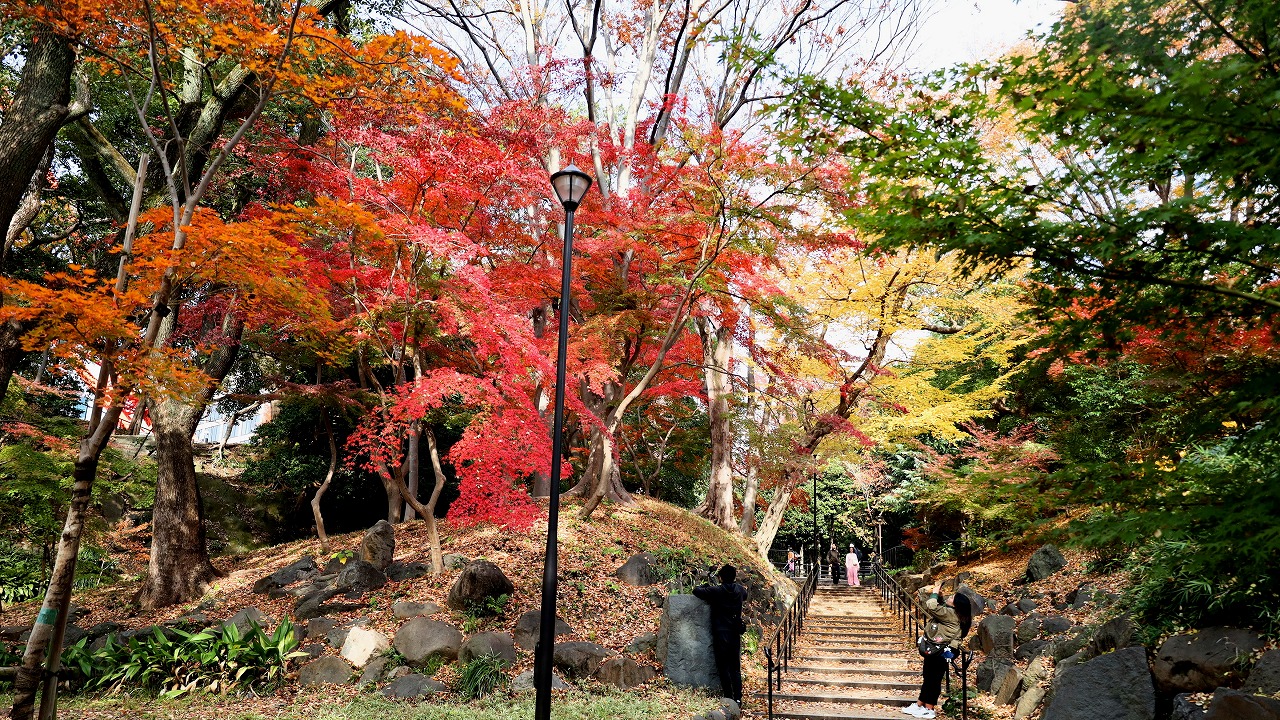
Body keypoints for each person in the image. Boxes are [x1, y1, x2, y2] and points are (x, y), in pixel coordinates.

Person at [903, 579, 973, 719]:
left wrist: (935, 592)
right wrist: (940, 597)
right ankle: (920, 704)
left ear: (956, 605)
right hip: (938, 648)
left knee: (934, 678)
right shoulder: (954, 613)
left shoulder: (951, 614)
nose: (949, 597)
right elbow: (940, 609)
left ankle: (929, 708)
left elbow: (932, 606)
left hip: (943, 650)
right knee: (929, 676)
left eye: (952, 598)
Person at [693, 564, 749, 703]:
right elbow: (745, 596)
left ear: (721, 577)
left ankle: (728, 697)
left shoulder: (716, 590)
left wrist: (704, 585)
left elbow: (696, 591)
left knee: (723, 667)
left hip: (720, 633)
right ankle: (738, 698)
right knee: (735, 668)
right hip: (734, 633)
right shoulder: (740, 590)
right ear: (734, 577)